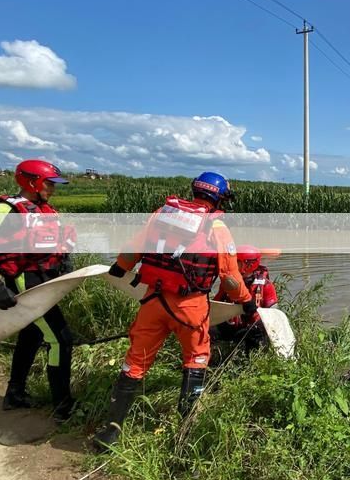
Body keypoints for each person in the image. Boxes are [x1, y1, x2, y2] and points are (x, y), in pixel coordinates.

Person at [93, 171, 255, 451]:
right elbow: (229, 277)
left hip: (152, 301)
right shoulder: (216, 229)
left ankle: (111, 431)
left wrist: (120, 268)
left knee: (135, 361)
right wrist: (247, 301)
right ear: (218, 199)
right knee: (195, 359)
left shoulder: (162, 214)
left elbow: (134, 248)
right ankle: (185, 434)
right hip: (190, 307)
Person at [0, 159, 77, 418]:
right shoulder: (4, 211)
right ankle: (63, 406)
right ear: (32, 182)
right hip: (26, 284)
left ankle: (14, 393)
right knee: (61, 340)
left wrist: (66, 264)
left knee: (32, 335)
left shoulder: (44, 209)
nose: (53, 188)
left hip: (46, 281)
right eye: (49, 183)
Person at [212, 245, 278, 347]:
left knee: (254, 337)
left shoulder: (266, 285)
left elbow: (273, 314)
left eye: (237, 263)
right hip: (233, 325)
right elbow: (216, 304)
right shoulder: (229, 283)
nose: (233, 266)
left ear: (249, 264)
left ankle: (250, 359)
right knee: (211, 330)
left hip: (254, 328)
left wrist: (260, 326)